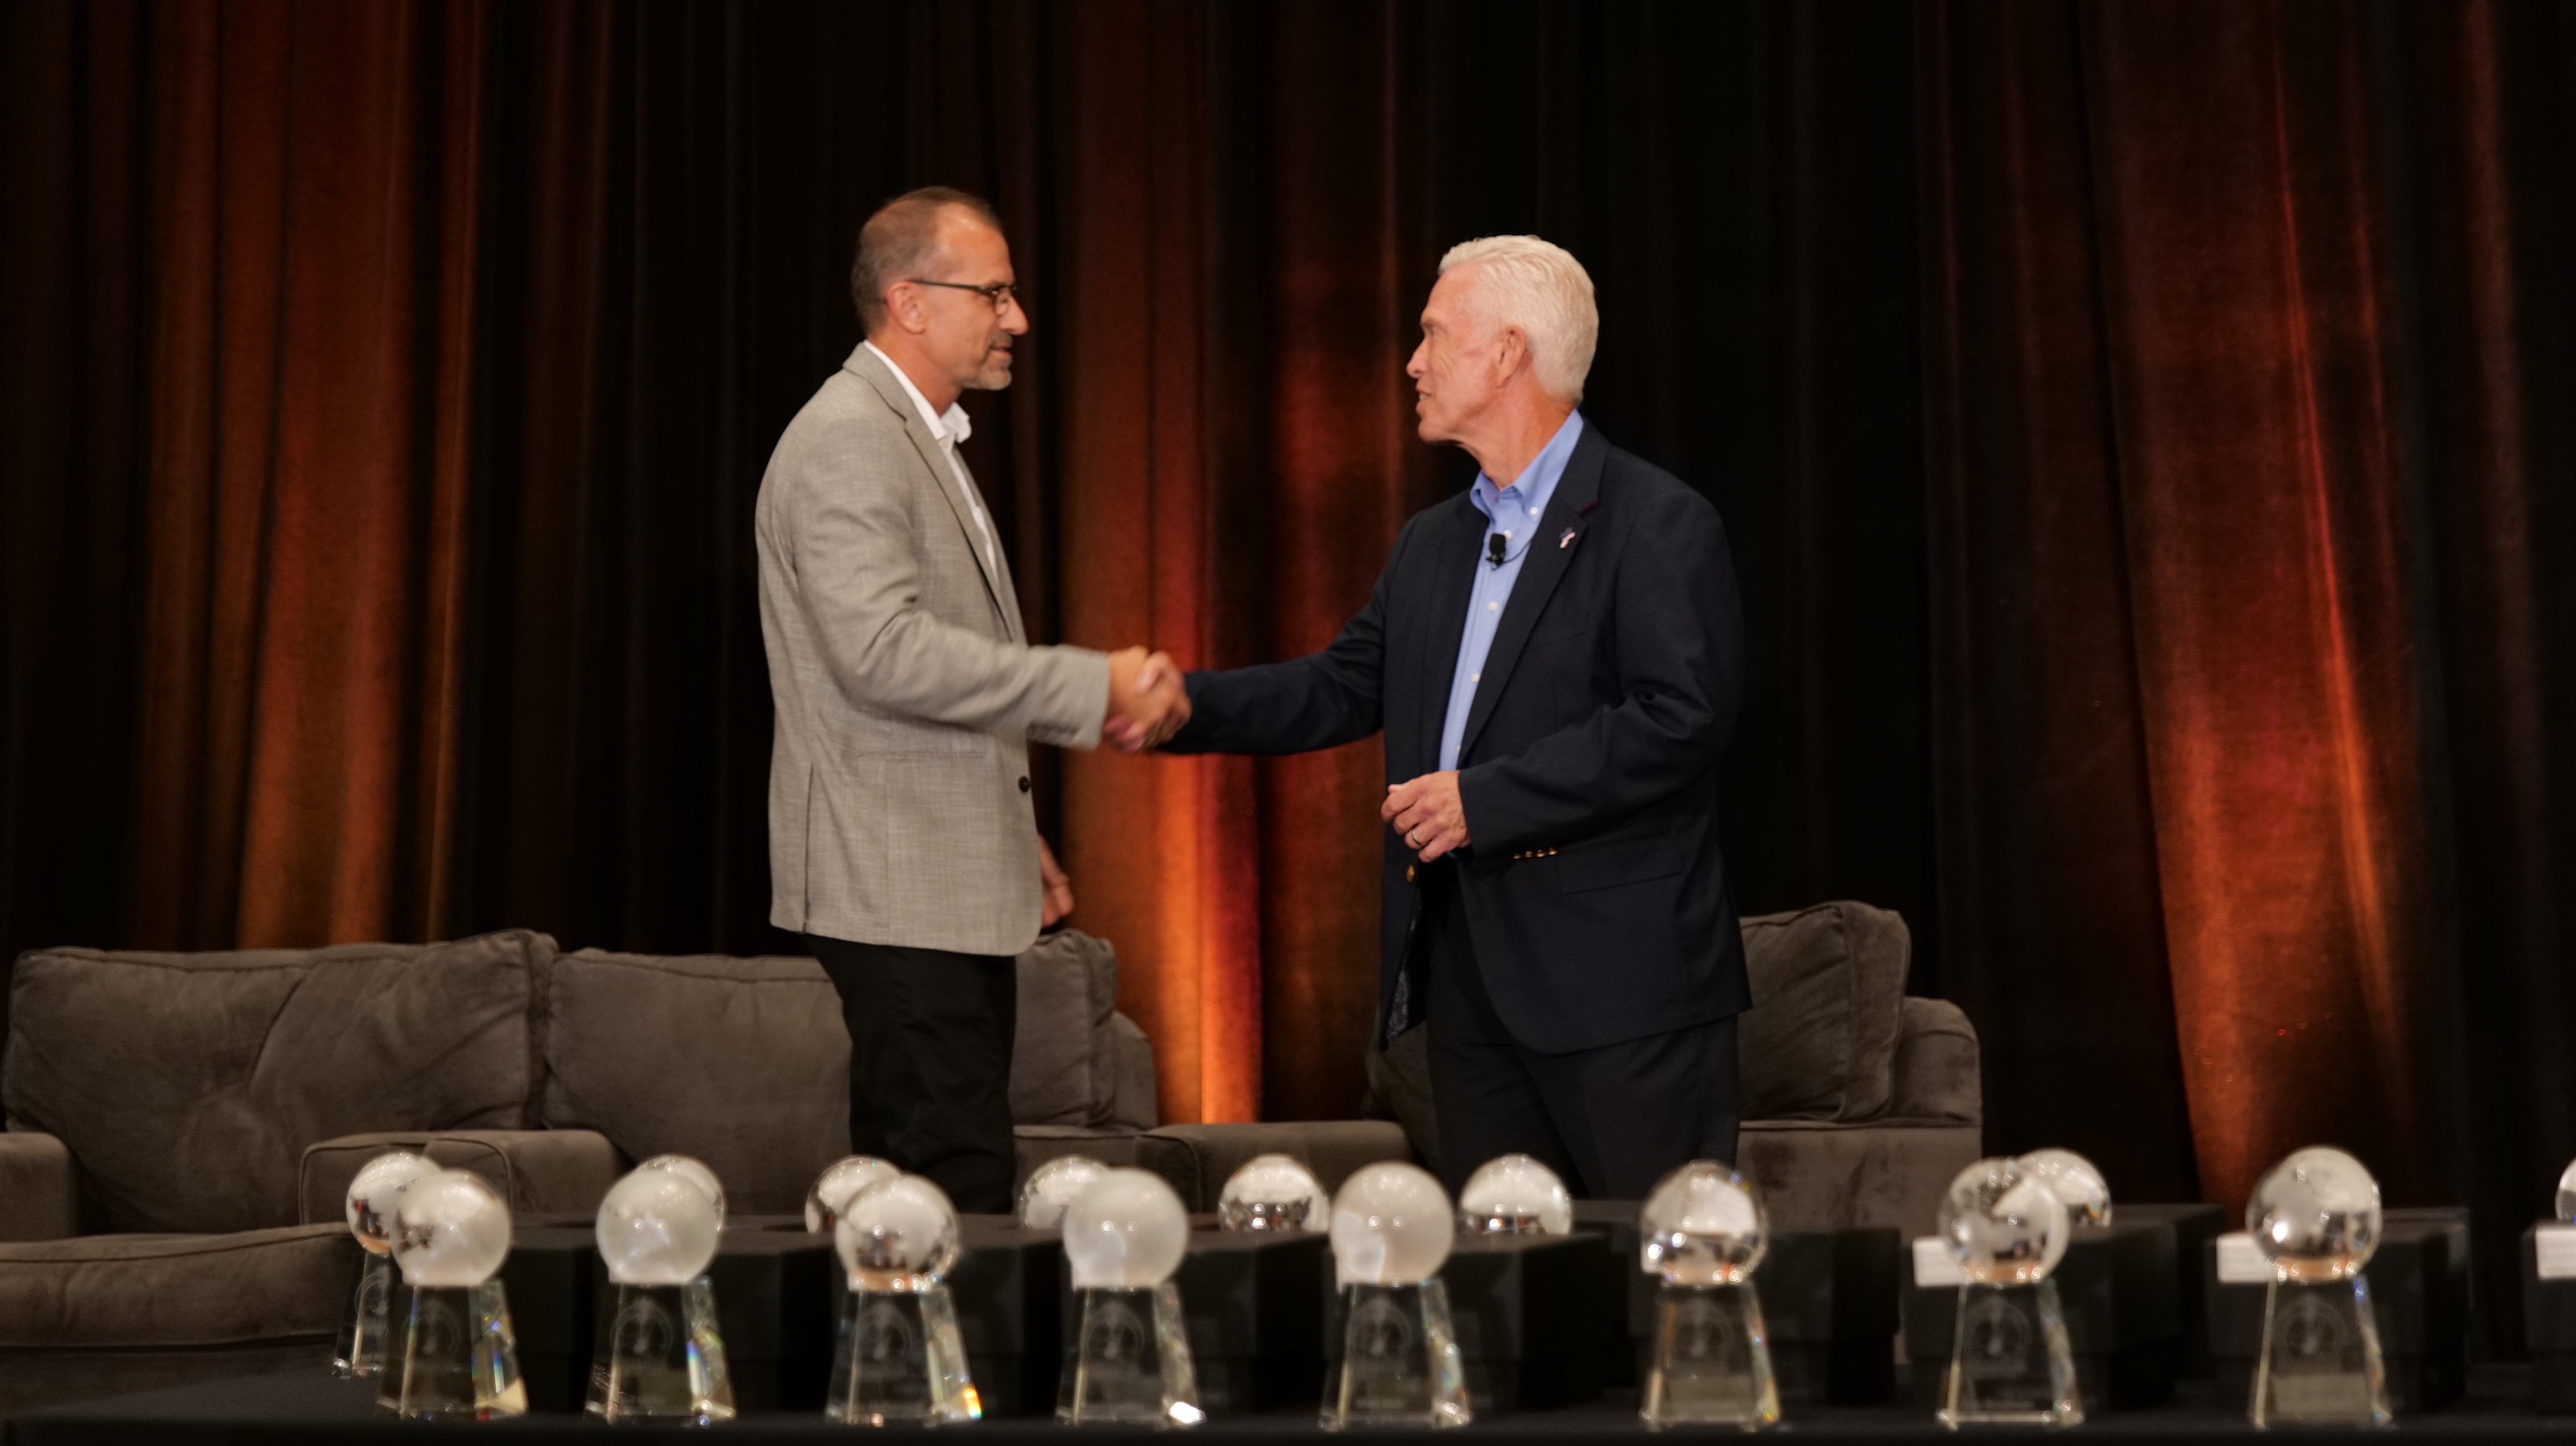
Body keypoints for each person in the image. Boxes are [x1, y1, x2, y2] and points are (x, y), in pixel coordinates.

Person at [1161, 236, 1747, 1200]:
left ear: (1509, 353)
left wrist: (1490, 800)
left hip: (1625, 994)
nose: (1413, 361)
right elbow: (1340, 685)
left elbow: (1678, 720)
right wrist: (1178, 704)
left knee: (1663, 1298)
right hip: (1469, 995)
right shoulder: (1433, 543)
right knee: (1507, 1305)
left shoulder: (1654, 520)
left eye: (1435, 334)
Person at [755, 186, 1189, 1212]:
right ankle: (939, 1381)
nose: (1018, 319)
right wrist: (1094, 683)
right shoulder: (851, 439)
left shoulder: (912, 435)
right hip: (892, 881)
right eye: (993, 294)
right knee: (950, 1191)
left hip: (930, 870)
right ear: (908, 301)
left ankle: (909, 1375)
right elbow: (883, 653)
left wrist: (1006, 821)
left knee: (924, 1189)